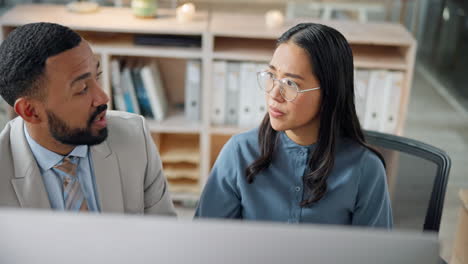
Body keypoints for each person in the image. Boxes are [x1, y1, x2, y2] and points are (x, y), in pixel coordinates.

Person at [195, 23, 392, 227]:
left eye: (291, 84)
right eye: (271, 76)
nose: (274, 94)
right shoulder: (239, 152)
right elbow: (204, 242)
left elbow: (376, 254)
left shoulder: (365, 169)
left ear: (329, 93)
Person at [0, 22, 175, 215]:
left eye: (97, 76)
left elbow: (163, 232)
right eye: (82, 89)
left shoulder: (134, 136)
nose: (103, 97)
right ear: (30, 111)